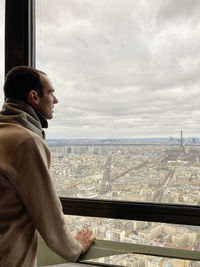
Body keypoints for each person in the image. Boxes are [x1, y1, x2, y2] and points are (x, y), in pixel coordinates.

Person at [0, 66, 95, 267]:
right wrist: (75, 248)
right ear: (34, 97)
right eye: (51, 92)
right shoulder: (25, 142)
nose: (56, 100)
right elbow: (49, 215)